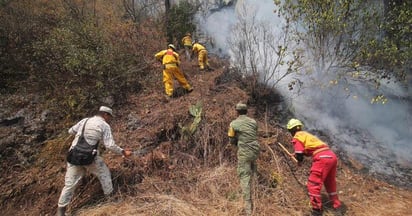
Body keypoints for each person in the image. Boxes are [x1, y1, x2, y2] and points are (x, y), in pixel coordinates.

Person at [56, 106, 132, 216]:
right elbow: (110, 145)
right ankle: (111, 200)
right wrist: (123, 152)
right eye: (109, 117)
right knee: (104, 174)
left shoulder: (85, 120)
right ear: (105, 115)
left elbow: (70, 131)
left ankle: (60, 211)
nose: (109, 119)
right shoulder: (104, 125)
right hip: (90, 157)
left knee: (69, 185)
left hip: (74, 156)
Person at [286, 118, 342, 216]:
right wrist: (297, 154)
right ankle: (337, 206)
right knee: (330, 182)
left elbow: (300, 153)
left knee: (313, 185)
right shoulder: (306, 135)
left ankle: (316, 211)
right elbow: (309, 149)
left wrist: (299, 160)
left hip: (322, 158)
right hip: (331, 156)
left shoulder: (296, 137)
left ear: (291, 130)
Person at [227, 103, 260, 216]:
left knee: (244, 175)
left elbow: (231, 139)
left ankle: (248, 208)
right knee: (254, 169)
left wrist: (236, 142)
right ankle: (258, 194)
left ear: (236, 111)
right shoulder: (253, 122)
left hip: (244, 152)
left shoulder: (234, 124)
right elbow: (254, 133)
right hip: (255, 150)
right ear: (246, 111)